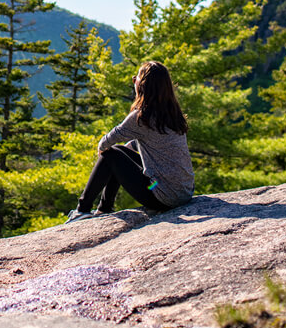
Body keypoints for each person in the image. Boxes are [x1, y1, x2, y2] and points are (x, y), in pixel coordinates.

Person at [65, 61, 193, 223]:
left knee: (111, 154)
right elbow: (152, 142)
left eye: (135, 79)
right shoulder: (172, 113)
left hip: (161, 196)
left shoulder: (142, 116)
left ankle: (82, 210)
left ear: (143, 86)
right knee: (118, 152)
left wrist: (105, 155)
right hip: (183, 193)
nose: (134, 82)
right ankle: (104, 208)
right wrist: (126, 153)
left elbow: (106, 142)